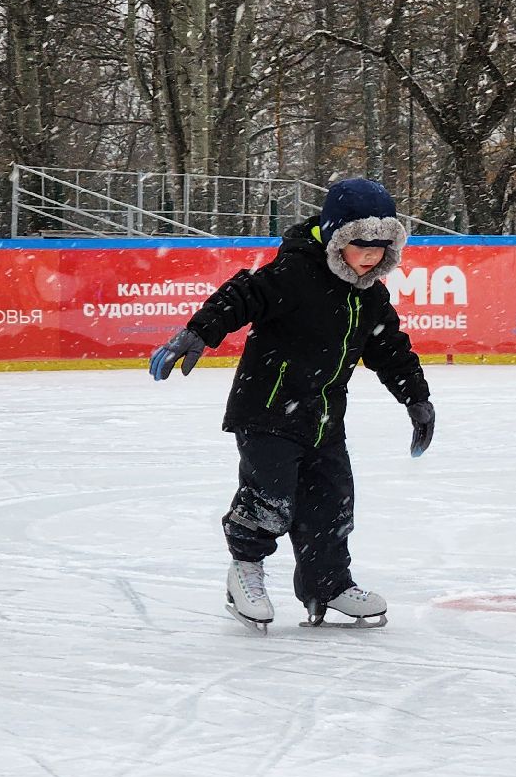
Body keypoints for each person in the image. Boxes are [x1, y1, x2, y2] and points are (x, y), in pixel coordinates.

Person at [148, 177, 435, 631]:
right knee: (271, 498)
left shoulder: (371, 296)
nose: (370, 256)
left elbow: (391, 349)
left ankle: (328, 584)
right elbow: (242, 296)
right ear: (337, 237)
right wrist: (199, 331)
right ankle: (244, 570)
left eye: (380, 248)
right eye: (360, 244)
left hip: (324, 419)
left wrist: (416, 398)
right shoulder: (294, 273)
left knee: (332, 502)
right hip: (267, 410)